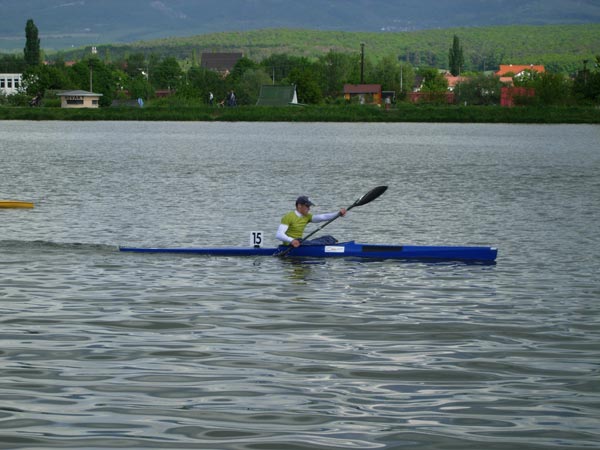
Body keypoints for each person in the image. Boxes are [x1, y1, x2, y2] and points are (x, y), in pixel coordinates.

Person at [276, 195, 346, 247]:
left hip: (300, 243)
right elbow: (279, 234)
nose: (309, 208)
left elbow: (322, 217)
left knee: (328, 238)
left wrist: (338, 214)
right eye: (307, 206)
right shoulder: (289, 216)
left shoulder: (307, 216)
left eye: (309, 206)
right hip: (291, 245)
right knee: (318, 243)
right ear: (299, 205)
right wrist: (292, 240)